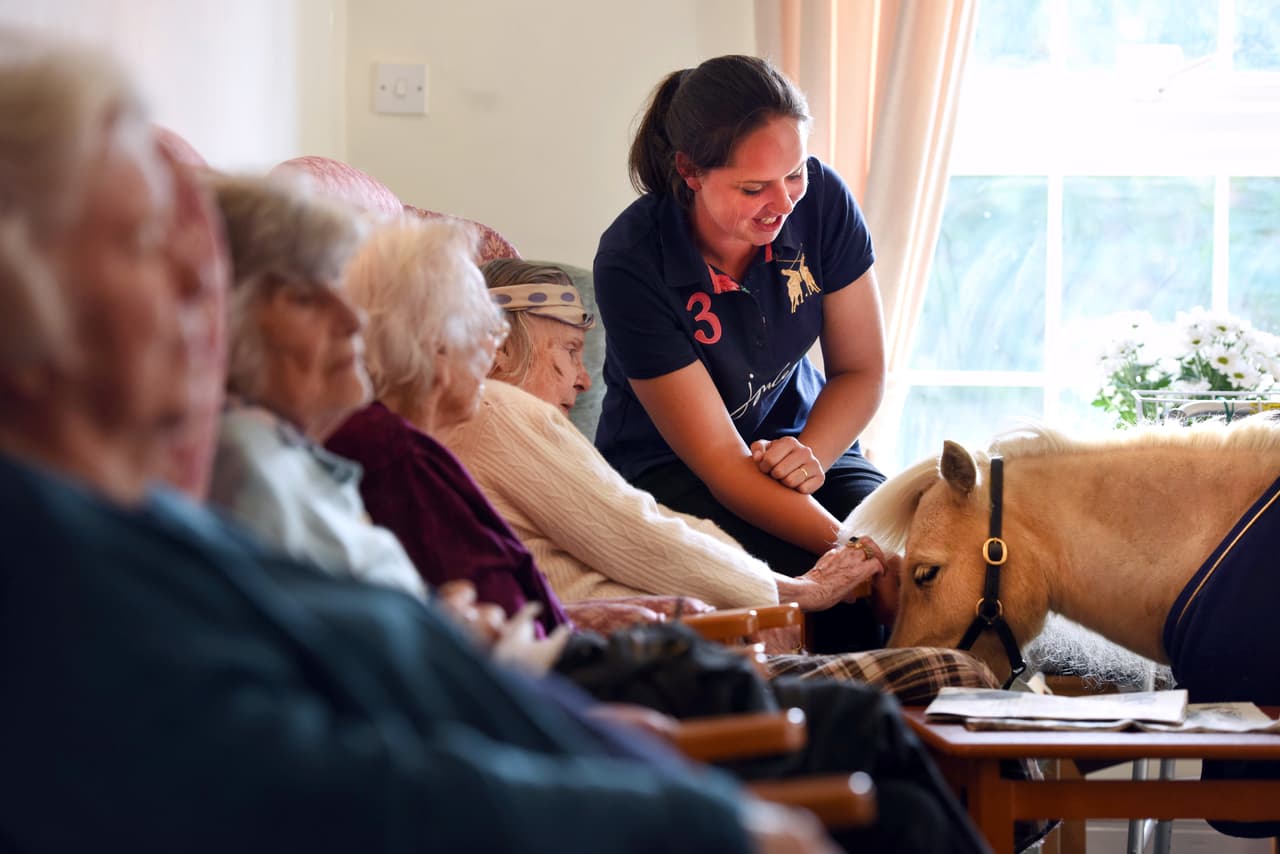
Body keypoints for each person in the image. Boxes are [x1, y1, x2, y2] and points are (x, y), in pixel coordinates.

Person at [0, 30, 836, 853]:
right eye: (147, 244)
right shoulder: (70, 553)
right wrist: (709, 817)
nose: (201, 290)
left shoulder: (175, 511)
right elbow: (325, 778)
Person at [437, 258, 1001, 704]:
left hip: (685, 648)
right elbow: (635, 533)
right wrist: (794, 592)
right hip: (657, 666)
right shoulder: (495, 408)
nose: (586, 379)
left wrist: (763, 596)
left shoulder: (484, 423)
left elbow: (645, 527)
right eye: (568, 352)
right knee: (960, 675)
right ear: (498, 346)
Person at [594, 55, 888, 653]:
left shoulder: (823, 200)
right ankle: (825, 733)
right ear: (690, 172)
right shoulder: (632, 261)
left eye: (795, 173)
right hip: (676, 468)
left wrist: (810, 458)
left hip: (805, 435)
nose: (783, 203)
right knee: (834, 591)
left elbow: (862, 369)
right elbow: (723, 467)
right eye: (753, 188)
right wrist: (851, 553)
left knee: (914, 545)